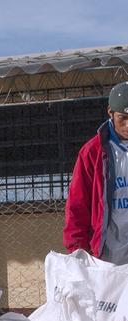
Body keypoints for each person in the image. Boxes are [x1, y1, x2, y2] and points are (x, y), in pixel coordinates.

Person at [63, 82, 128, 263]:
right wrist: (78, 251)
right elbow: (77, 205)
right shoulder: (93, 152)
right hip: (107, 259)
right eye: (123, 118)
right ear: (110, 113)